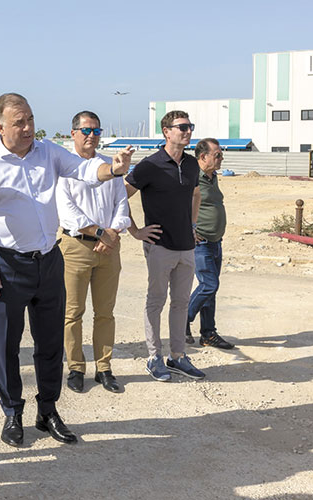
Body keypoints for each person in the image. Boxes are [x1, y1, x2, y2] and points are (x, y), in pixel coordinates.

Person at [0, 93, 132, 447]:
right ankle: (12, 412)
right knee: (5, 345)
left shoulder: (47, 151)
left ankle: (47, 410)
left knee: (49, 344)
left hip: (48, 261)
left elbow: (85, 170)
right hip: (5, 265)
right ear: (0, 126)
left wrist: (114, 168)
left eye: (30, 119)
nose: (28, 127)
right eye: (19, 122)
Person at [125, 110, 206, 383]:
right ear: (166, 132)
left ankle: (178, 357)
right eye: (181, 127)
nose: (187, 131)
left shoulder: (193, 164)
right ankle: (153, 357)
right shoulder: (150, 165)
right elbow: (120, 195)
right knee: (156, 302)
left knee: (181, 303)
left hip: (186, 245)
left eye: (189, 127)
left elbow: (196, 193)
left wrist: (192, 226)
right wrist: (135, 231)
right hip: (160, 246)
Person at [56, 111, 130, 394]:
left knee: (105, 312)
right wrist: (101, 232)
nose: (91, 136)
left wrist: (111, 233)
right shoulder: (64, 167)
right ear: (73, 132)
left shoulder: (110, 167)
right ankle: (76, 367)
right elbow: (68, 212)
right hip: (76, 247)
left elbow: (122, 206)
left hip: (109, 248)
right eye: (86, 131)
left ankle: (104, 367)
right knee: (72, 313)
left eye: (96, 131)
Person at [188, 138, 235, 350]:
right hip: (201, 242)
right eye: (217, 155)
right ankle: (182, 319)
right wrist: (189, 229)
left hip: (216, 241)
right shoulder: (192, 176)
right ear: (203, 156)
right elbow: (181, 204)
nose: (221, 158)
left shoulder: (212, 176)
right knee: (209, 284)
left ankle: (208, 333)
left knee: (211, 289)